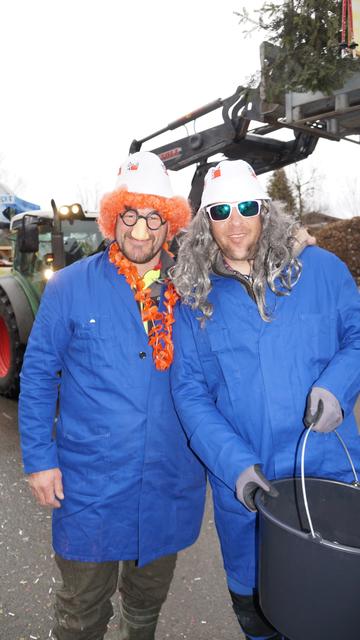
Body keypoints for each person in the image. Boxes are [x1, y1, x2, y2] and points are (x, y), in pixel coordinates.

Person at [18, 151, 206, 640]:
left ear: (170, 224)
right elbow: (38, 374)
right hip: (89, 487)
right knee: (81, 610)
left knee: (145, 606)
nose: (140, 231)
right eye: (129, 215)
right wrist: (39, 459)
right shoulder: (69, 288)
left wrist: (293, 242)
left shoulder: (194, 290)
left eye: (153, 217)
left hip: (169, 479)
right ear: (112, 216)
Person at [170, 159, 360, 640]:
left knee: (337, 612)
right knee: (259, 615)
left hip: (327, 476)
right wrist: (234, 465)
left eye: (247, 206)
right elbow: (191, 393)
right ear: (204, 223)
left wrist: (338, 386)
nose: (236, 222)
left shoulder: (319, 270)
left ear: (265, 211)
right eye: (220, 211)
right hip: (251, 493)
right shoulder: (195, 299)